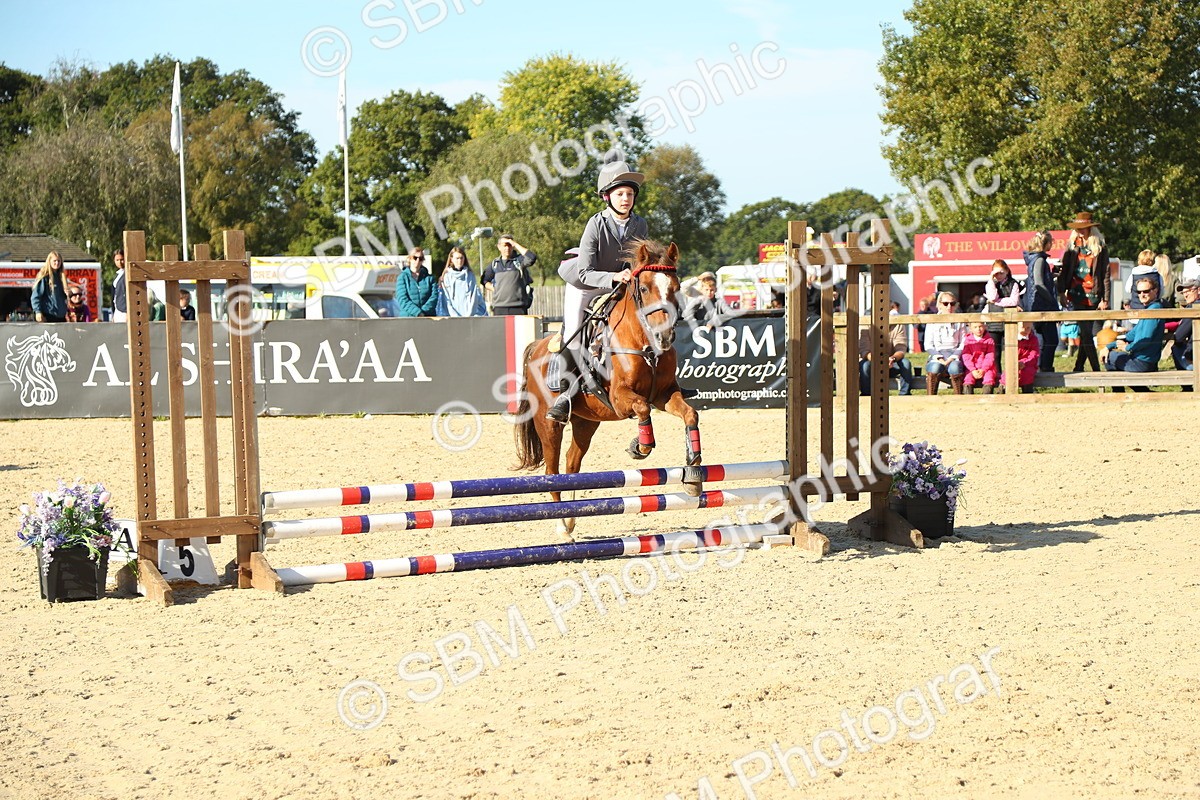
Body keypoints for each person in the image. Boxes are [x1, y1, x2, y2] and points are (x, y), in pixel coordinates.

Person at [550, 159, 650, 423]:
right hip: (585, 283)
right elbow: (585, 272)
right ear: (607, 197)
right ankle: (564, 394)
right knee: (574, 331)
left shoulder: (640, 224)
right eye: (620, 194)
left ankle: (662, 381)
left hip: (619, 284)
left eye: (629, 194)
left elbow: (638, 260)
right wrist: (614, 276)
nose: (626, 198)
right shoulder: (595, 224)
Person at [1057, 212, 1111, 372]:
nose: (1080, 231)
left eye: (1083, 228)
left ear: (1090, 228)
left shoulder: (1100, 246)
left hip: (1094, 294)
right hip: (1076, 293)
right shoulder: (1072, 246)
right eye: (1078, 228)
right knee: (1086, 332)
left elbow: (1105, 274)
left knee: (1086, 332)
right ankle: (1096, 370)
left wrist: (1105, 298)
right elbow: (1064, 270)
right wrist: (1061, 292)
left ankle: (1078, 366)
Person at [1105, 277, 1165, 392]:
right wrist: (1109, 346)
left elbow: (1144, 339)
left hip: (1143, 363)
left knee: (1110, 357)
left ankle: (1119, 393)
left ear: (1155, 291)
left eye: (1146, 291)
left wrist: (1127, 347)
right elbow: (1132, 334)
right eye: (1139, 292)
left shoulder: (1153, 311)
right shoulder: (1149, 309)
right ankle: (1142, 391)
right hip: (1145, 361)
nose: (1142, 294)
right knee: (1111, 354)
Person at [1021, 230, 1059, 372]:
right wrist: (1051, 300)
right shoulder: (1040, 260)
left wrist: (1051, 275)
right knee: (1051, 340)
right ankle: (1046, 368)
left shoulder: (1033, 259)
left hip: (1035, 304)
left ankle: (1039, 368)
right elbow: (1038, 283)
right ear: (1046, 243)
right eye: (1051, 242)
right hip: (1041, 305)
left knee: (1042, 340)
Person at [922, 291, 965, 395]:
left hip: (954, 355)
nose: (949, 306)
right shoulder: (932, 320)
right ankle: (930, 398)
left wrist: (951, 358)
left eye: (952, 303)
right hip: (937, 355)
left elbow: (963, 343)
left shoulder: (960, 320)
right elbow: (928, 344)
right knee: (935, 367)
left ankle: (958, 398)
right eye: (945, 303)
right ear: (939, 304)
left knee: (955, 367)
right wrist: (940, 358)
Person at [481, 235, 536, 316]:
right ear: (499, 247)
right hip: (499, 307)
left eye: (509, 245)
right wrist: (496, 289)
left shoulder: (519, 260)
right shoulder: (495, 264)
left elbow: (531, 257)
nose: (507, 248)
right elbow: (484, 280)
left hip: (518, 307)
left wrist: (516, 244)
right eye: (505, 245)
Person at [858, 317, 913, 396]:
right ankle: (866, 394)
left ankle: (905, 394)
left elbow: (901, 349)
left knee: (906, 363)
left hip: (891, 362)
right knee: (865, 365)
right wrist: (877, 360)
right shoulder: (866, 326)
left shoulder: (898, 325)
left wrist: (892, 359)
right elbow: (864, 351)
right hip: (872, 362)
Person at [983, 259, 1021, 357]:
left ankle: (1011, 372)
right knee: (995, 352)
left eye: (1001, 273)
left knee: (1011, 350)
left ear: (1007, 271)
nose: (998, 275)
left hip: (1010, 319)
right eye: (996, 273)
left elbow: (1014, 301)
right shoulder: (990, 284)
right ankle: (997, 372)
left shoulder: (1013, 284)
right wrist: (991, 280)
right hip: (994, 320)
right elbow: (992, 297)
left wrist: (997, 302)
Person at [436, 246, 487, 317]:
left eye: (461, 258)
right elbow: (446, 299)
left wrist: (469, 315)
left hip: (468, 316)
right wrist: (455, 317)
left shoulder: (470, 275)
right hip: (452, 317)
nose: (459, 261)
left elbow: (474, 296)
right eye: (457, 258)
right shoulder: (446, 276)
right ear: (451, 259)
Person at [395, 246, 438, 318]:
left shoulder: (430, 278)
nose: (417, 261)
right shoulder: (402, 277)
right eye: (415, 258)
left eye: (420, 258)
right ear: (410, 259)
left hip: (428, 318)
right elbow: (402, 299)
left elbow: (434, 297)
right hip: (408, 319)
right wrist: (418, 312)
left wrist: (423, 312)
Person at [1000, 320, 1041, 393]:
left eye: (1028, 328)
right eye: (1023, 327)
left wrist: (1024, 363)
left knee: (1027, 373)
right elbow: (1010, 354)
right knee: (1008, 373)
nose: (1025, 330)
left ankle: (1027, 392)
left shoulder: (1033, 339)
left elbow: (1034, 354)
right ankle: (1004, 389)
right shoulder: (1012, 339)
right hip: (1014, 362)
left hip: (1028, 364)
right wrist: (1015, 363)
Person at [960, 321, 997, 394]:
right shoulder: (967, 341)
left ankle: (986, 399)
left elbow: (990, 357)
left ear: (984, 326)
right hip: (972, 368)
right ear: (970, 328)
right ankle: (969, 401)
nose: (978, 329)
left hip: (987, 368)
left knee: (989, 378)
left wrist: (983, 369)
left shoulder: (989, 340)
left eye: (980, 326)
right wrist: (972, 369)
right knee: (968, 379)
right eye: (975, 327)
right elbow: (966, 357)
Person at [32, 251, 69, 323]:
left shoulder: (62, 277)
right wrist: (38, 311)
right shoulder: (44, 276)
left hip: (61, 316)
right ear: (49, 261)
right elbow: (36, 296)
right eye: (54, 261)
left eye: (59, 261)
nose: (57, 263)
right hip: (48, 314)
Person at [1171, 276, 1198, 374]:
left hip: (1196, 362)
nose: (1185, 295)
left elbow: (1179, 336)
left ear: (1198, 291)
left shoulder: (1193, 309)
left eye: (1188, 291)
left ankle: (1187, 385)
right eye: (1183, 292)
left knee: (1176, 347)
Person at [111, 249, 127, 322]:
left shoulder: (128, 274)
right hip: (117, 309)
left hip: (125, 310)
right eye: (117, 260)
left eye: (122, 259)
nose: (120, 262)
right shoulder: (117, 275)